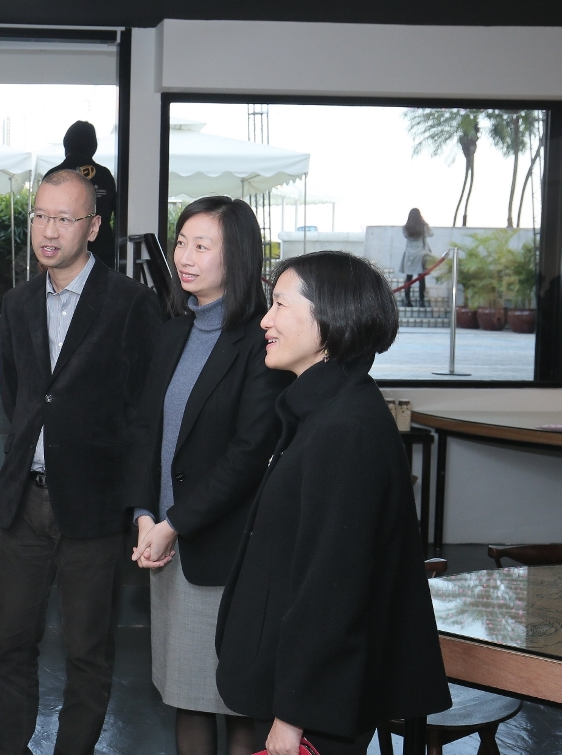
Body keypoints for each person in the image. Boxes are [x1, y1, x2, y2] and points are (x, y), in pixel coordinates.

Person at [215, 251, 451, 755]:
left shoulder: (344, 429)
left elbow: (332, 590)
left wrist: (293, 717)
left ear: (329, 317)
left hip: (312, 709)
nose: (266, 319)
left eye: (279, 304)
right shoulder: (325, 408)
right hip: (299, 694)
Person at [0, 168, 162, 755]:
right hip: (25, 503)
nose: (48, 230)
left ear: (93, 227)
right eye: (40, 215)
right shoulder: (15, 304)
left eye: (65, 218)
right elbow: (18, 398)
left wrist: (138, 502)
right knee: (10, 645)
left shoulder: (131, 304)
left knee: (88, 653)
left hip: (92, 504)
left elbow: (143, 413)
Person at [125, 197, 293, 755]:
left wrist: (172, 524)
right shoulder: (173, 332)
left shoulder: (258, 341)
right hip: (168, 547)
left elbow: (248, 455)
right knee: (186, 698)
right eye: (181, 243)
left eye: (202, 245)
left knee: (236, 707)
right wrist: (145, 515)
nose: (185, 257)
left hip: (225, 550)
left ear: (237, 255)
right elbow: (147, 431)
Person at [44, 121, 119, 268]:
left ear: (67, 144)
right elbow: (116, 214)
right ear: (93, 146)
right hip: (102, 250)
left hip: (63, 248)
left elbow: (45, 216)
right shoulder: (104, 175)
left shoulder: (54, 175)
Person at [399, 208, 433, 307]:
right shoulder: (423, 227)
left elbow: (406, 236)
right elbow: (431, 234)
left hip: (409, 254)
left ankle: (407, 300)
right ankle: (421, 301)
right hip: (420, 254)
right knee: (421, 278)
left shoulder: (405, 228)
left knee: (408, 278)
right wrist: (424, 222)